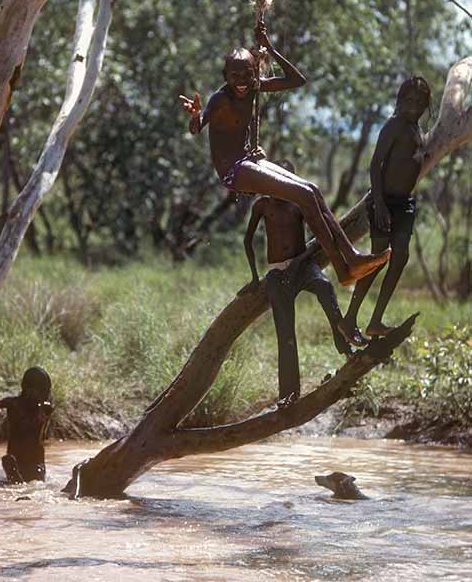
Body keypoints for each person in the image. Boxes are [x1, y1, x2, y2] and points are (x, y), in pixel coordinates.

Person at [179, 23, 390, 286]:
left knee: (312, 190)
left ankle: (350, 262)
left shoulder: (254, 87)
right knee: (303, 195)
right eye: (234, 76)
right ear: (225, 76)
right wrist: (195, 115)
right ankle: (344, 265)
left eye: (247, 74)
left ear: (254, 72)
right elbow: (197, 128)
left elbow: (296, 80)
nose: (241, 81)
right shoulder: (220, 99)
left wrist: (269, 47)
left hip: (249, 161)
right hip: (234, 171)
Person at [240, 164, 352, 401]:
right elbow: (247, 240)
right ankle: (289, 395)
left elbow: (320, 236)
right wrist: (254, 277)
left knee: (324, 286)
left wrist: (298, 262)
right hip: (277, 273)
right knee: (286, 336)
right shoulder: (262, 204)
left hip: (303, 265)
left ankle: (343, 342)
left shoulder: (299, 202)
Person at [339, 77, 431, 345]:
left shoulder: (416, 129)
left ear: (425, 104)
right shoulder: (395, 125)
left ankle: (375, 321)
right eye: (408, 100)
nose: (413, 106)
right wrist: (379, 203)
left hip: (406, 203)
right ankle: (349, 319)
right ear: (400, 100)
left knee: (400, 257)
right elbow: (375, 163)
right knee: (378, 259)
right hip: (385, 201)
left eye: (419, 102)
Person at [0, 366, 54, 483]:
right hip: (17, 458)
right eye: (41, 390)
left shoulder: (44, 409)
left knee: (32, 484)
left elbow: (42, 433)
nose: (42, 395)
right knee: (18, 482)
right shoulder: (12, 403)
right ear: (27, 388)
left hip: (35, 461)